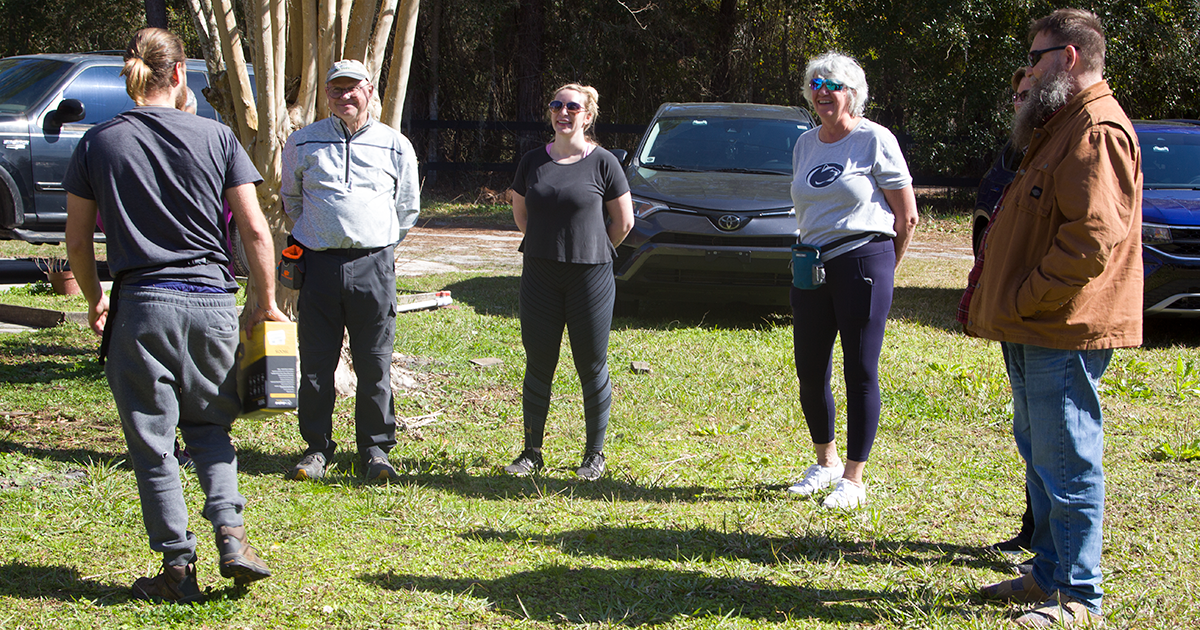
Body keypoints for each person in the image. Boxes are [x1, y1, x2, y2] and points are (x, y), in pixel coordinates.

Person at [63, 27, 286, 603]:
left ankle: (177, 567)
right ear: (180, 73)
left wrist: (94, 298)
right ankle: (232, 536)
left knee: (153, 439)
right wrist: (266, 304)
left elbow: (79, 240)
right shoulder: (217, 137)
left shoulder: (100, 142)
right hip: (212, 303)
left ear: (130, 76)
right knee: (211, 427)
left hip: (142, 307)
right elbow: (256, 229)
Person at [967, 9, 1142, 627]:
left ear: (1067, 58)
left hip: (1061, 326)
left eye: (1037, 56)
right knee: (1041, 450)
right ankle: (1046, 574)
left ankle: (1077, 596)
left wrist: (1027, 298)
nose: (1030, 67)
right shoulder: (1061, 124)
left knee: (1067, 457)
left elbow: (1092, 238)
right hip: (1034, 323)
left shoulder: (1095, 127)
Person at [785, 52, 919, 509]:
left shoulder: (875, 139)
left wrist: (883, 266)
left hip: (863, 259)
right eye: (816, 85)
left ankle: (853, 479)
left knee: (859, 370)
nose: (824, 93)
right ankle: (824, 464)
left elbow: (907, 215)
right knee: (810, 368)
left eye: (834, 85)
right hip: (811, 265)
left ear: (854, 93)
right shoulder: (805, 144)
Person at [281, 59, 420, 483]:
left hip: (374, 265)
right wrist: (321, 234)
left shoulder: (395, 145)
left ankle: (376, 450)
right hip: (318, 266)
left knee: (374, 363)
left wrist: (376, 241)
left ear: (370, 89)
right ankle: (316, 449)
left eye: (352, 88)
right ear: (326, 94)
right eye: (336, 89)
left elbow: (407, 207)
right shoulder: (302, 143)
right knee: (316, 363)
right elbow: (291, 200)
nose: (344, 96)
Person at [502, 83, 634, 481]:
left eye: (572, 107)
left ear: (587, 116)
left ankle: (594, 455)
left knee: (591, 365)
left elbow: (624, 222)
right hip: (540, 275)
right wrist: (548, 244)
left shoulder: (604, 163)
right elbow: (521, 212)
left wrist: (591, 249)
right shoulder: (531, 161)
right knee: (538, 363)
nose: (563, 112)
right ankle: (531, 451)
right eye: (556, 105)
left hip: (590, 277)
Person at [974, 68, 1037, 555]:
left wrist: (1027, 296)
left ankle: (1061, 566)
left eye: (1028, 94)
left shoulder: (1071, 145)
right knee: (1029, 428)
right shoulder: (1017, 154)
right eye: (1016, 95)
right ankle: (1034, 530)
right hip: (1015, 314)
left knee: (1053, 439)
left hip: (1044, 314)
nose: (1020, 102)